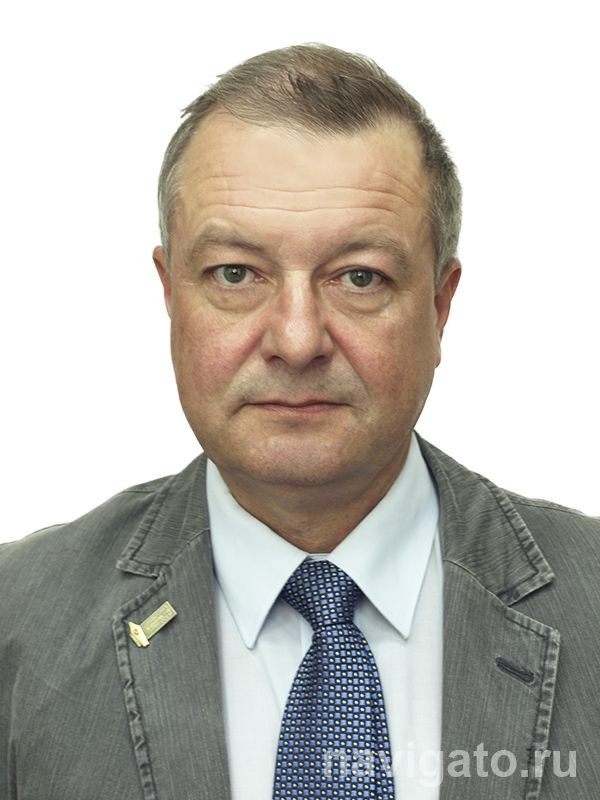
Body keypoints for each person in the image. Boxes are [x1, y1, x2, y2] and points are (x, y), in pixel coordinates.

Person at [0, 43, 598, 800]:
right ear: (171, 294)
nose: (296, 339)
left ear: (440, 307)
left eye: (359, 278)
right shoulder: (17, 620)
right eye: (235, 274)